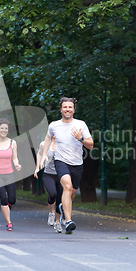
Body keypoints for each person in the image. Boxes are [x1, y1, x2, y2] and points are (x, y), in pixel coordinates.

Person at [41, 97, 94, 234]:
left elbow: (91, 145)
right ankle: (68, 220)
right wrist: (43, 155)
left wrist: (80, 138)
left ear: (74, 109)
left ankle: (62, 206)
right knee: (67, 186)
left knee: (71, 194)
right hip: (61, 161)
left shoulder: (81, 125)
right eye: (65, 107)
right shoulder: (54, 125)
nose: (67, 109)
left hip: (77, 163)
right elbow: (47, 139)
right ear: (61, 109)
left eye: (70, 107)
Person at [34, 136, 64, 233]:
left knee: (60, 198)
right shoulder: (44, 144)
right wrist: (37, 167)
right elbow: (39, 154)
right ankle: (51, 213)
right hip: (48, 174)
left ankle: (58, 222)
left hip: (61, 175)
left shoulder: (63, 144)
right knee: (52, 193)